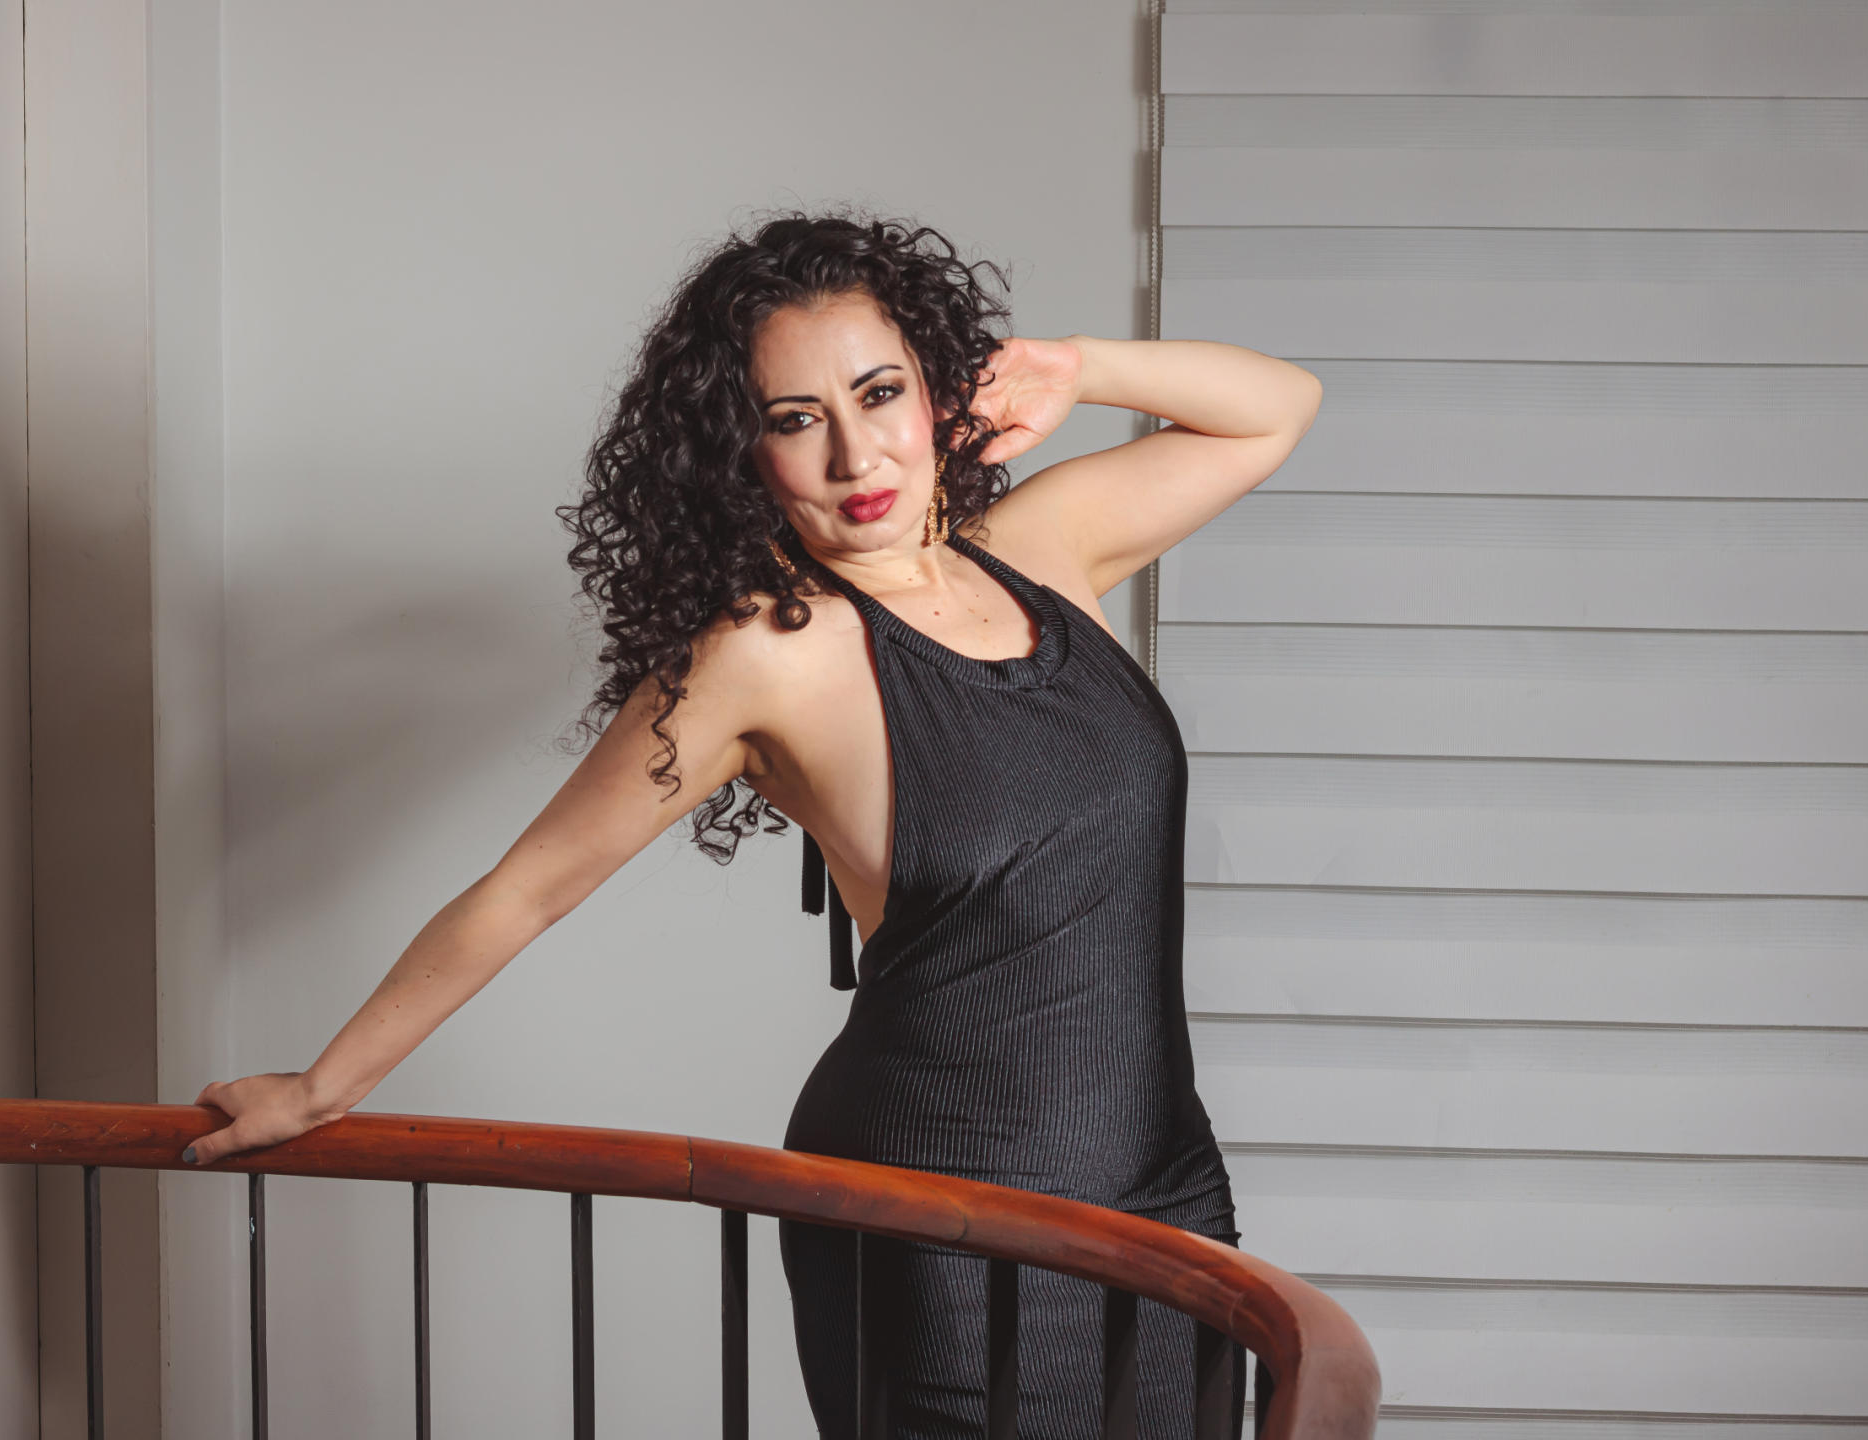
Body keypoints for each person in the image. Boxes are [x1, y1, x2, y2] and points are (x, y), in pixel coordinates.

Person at [185, 211, 1322, 1438]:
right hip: (940, 1207)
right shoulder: (767, 652)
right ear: (743, 452)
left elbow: (1278, 407)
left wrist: (1075, 366)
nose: (853, 453)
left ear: (938, 390)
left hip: (1162, 1183)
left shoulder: (1043, 548)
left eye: (879, 393)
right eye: (794, 419)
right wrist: (324, 1085)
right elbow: (529, 887)